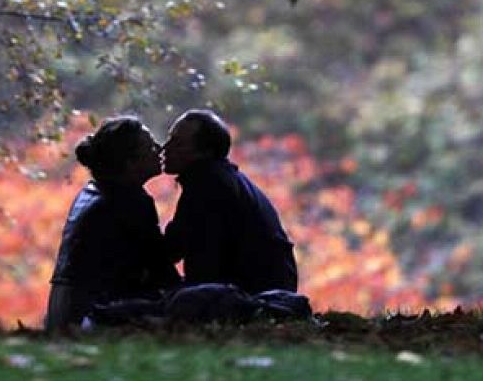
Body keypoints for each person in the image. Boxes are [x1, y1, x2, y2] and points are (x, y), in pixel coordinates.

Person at [44, 116, 180, 330]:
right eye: (150, 146)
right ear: (130, 163)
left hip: (64, 311)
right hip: (96, 314)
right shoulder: (130, 200)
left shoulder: (92, 193)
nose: (159, 148)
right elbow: (160, 268)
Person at [160, 109, 299, 294]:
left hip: (253, 294)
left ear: (205, 151)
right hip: (270, 288)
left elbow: (178, 250)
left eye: (178, 143)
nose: (165, 148)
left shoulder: (208, 183)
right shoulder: (223, 178)